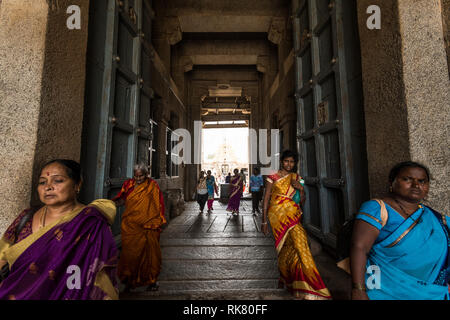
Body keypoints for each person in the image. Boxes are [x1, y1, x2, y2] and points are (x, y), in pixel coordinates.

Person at [0, 159, 119, 300]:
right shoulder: (26, 217)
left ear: (77, 185)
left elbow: (99, 275)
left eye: (58, 181)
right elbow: (2, 258)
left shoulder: (90, 223)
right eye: (42, 182)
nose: (48, 187)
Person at [350, 161, 449, 300]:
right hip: (385, 290)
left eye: (422, 181)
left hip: (431, 291)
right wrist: (358, 289)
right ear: (392, 182)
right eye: (407, 179)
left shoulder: (437, 218)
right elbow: (360, 247)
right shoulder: (377, 208)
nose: (416, 185)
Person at [262, 150, 331, 300]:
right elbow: (266, 198)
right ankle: (293, 283)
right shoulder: (272, 176)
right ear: (281, 161)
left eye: (292, 162)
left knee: (300, 247)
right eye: (286, 161)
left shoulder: (297, 178)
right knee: (285, 249)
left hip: (293, 215)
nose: (289, 164)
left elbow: (302, 201)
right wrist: (264, 221)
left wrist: (301, 189)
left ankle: (311, 287)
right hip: (277, 217)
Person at [113, 163, 166, 292]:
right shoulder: (128, 185)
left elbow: (159, 205)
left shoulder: (152, 185)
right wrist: (110, 204)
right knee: (129, 255)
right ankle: (129, 282)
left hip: (148, 225)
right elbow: (122, 199)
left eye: (141, 176)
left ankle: (152, 281)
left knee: (150, 256)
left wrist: (157, 221)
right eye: (136, 176)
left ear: (146, 175)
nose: (138, 179)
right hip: (131, 226)